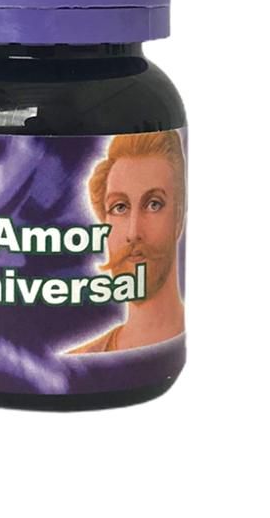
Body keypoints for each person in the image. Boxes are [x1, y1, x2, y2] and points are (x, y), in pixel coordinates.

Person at [65, 130, 186, 354]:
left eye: (154, 204)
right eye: (119, 207)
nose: (133, 232)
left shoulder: (174, 349)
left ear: (179, 215)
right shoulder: (78, 360)